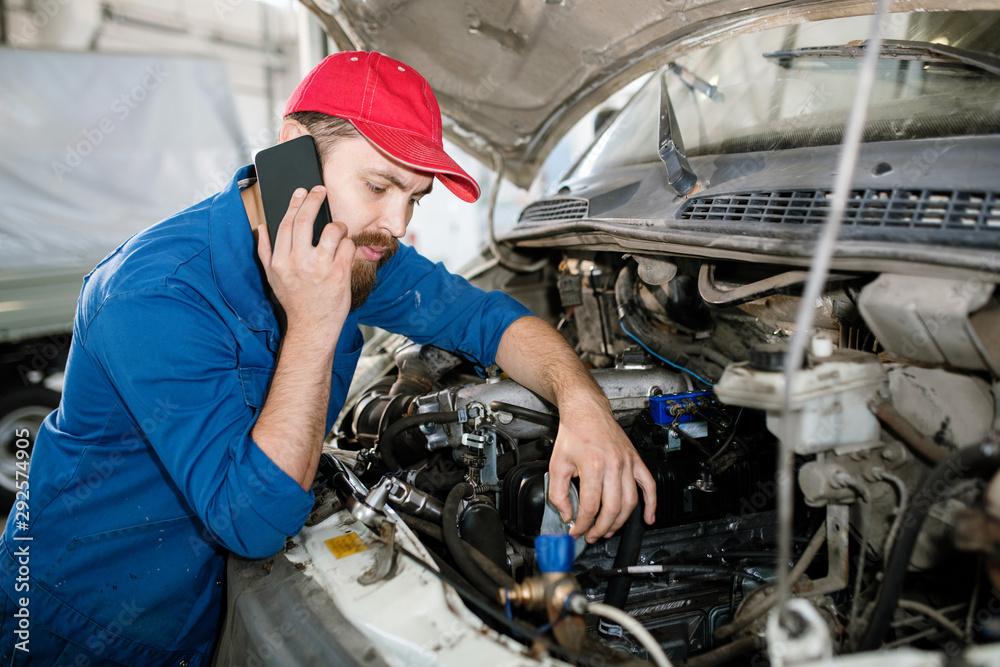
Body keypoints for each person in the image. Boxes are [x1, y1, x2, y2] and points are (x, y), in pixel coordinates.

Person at [0, 51, 655, 665]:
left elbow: (492, 320)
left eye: (414, 198)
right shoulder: (153, 294)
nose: (397, 223)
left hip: (201, 611)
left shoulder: (354, 244)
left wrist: (582, 402)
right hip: (76, 621)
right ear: (294, 155)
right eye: (378, 184)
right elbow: (251, 520)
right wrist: (314, 322)